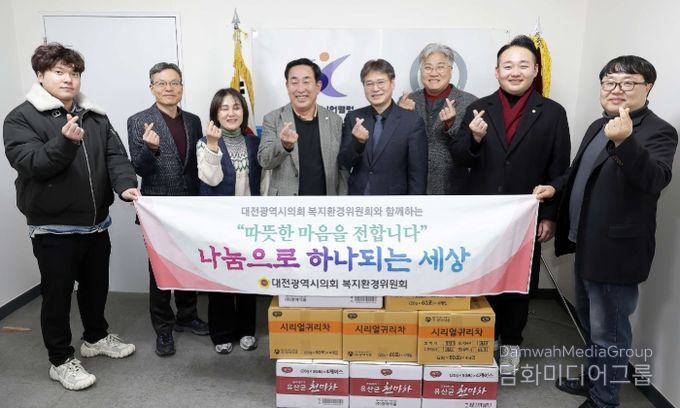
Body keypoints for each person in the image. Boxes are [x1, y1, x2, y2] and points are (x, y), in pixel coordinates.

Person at [534, 56, 677, 408]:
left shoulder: (657, 131)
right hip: (586, 243)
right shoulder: (600, 125)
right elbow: (578, 172)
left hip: (617, 253)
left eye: (628, 82)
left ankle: (603, 401)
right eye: (609, 82)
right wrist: (556, 188)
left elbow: (655, 180)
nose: (617, 89)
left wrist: (626, 141)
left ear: (648, 87)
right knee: (590, 323)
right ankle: (593, 380)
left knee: (609, 333)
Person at [3, 43, 139, 391]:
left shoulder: (94, 115)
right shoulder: (21, 117)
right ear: (40, 75)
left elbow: (116, 156)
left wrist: (126, 186)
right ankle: (60, 360)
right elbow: (30, 163)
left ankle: (95, 337)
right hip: (53, 227)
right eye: (59, 72)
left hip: (96, 223)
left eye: (74, 73)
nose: (68, 79)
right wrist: (65, 143)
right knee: (57, 296)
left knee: (96, 287)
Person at [450, 35, 571, 374]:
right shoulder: (479, 108)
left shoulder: (553, 113)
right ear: (497, 71)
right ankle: (486, 336)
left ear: (535, 70)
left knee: (519, 280)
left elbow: (560, 169)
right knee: (483, 276)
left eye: (522, 65)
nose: (514, 72)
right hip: (482, 214)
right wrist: (474, 139)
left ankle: (512, 342)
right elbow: (459, 158)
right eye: (508, 66)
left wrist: (550, 215)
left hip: (525, 214)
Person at [127, 62, 208, 357]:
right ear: (152, 88)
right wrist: (151, 149)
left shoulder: (193, 120)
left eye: (174, 82)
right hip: (157, 207)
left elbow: (196, 164)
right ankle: (163, 327)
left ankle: (187, 315)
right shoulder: (139, 121)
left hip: (189, 206)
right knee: (160, 269)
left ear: (182, 87)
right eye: (161, 83)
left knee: (188, 262)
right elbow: (139, 168)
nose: (169, 88)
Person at [196, 88, 261, 354]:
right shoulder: (204, 142)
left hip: (249, 224)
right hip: (219, 223)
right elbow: (211, 180)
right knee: (220, 278)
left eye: (236, 107)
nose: (231, 113)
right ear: (215, 113)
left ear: (243, 111)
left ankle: (246, 330)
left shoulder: (254, 142)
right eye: (224, 108)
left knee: (247, 277)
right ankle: (221, 333)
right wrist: (213, 145)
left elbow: (261, 182)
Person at [258, 58, 347, 196]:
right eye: (294, 82)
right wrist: (284, 145)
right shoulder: (273, 119)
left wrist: (341, 201)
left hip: (325, 203)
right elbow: (264, 161)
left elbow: (342, 168)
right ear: (287, 86)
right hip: (286, 204)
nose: (300, 89)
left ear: (318, 86)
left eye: (306, 82)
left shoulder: (334, 121)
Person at [338, 59, 428, 195]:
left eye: (381, 82)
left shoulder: (412, 122)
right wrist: (358, 143)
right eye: (369, 83)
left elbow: (418, 174)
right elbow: (344, 162)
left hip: (394, 200)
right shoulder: (354, 118)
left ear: (392, 83)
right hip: (358, 198)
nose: (375, 89)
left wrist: (414, 205)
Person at [398, 43, 478, 194]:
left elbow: (473, 148)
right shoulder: (407, 101)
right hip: (412, 186)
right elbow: (394, 145)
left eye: (440, 67)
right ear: (421, 71)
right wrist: (401, 119)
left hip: (453, 187)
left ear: (451, 71)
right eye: (428, 68)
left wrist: (451, 125)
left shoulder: (470, 102)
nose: (433, 73)